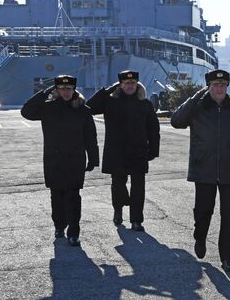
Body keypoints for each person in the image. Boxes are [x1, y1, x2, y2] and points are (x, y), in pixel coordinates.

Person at [170, 69, 230, 272]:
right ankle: (200, 236)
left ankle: (228, 258)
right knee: (203, 211)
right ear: (208, 86)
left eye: (223, 85)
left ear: (227, 87)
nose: (219, 89)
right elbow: (176, 121)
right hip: (203, 169)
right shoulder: (197, 107)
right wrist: (194, 97)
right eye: (215, 85)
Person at [21, 75, 99, 247]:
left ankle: (73, 233)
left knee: (73, 196)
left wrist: (93, 158)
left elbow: (90, 136)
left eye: (68, 89)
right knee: (56, 196)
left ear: (74, 90)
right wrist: (44, 93)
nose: (65, 92)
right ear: (56, 90)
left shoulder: (83, 110)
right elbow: (26, 111)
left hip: (75, 160)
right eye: (62, 89)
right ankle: (59, 225)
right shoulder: (47, 108)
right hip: (53, 159)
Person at [87, 70, 160, 232]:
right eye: (126, 83)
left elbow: (153, 129)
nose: (129, 86)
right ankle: (118, 209)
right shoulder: (110, 102)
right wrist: (107, 91)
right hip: (116, 152)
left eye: (132, 83)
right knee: (118, 185)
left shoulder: (145, 104)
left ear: (137, 84)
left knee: (138, 188)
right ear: (120, 85)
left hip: (138, 152)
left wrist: (153, 149)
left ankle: (136, 220)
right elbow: (89, 107)